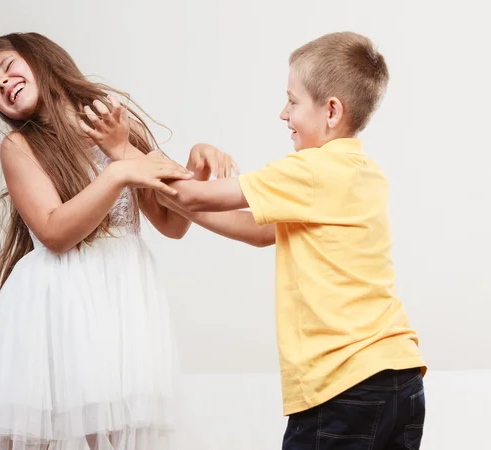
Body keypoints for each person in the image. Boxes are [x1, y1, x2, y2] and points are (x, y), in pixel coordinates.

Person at [91, 31, 427, 450]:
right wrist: (188, 192)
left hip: (343, 387)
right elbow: (258, 230)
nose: (283, 114)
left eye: (293, 100)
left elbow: (189, 195)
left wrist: (123, 154)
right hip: (401, 378)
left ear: (332, 111)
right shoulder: (365, 173)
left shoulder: (311, 170)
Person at [0, 31, 237, 450]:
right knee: (54, 426)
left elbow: (172, 223)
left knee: (112, 429)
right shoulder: (20, 146)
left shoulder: (114, 123)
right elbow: (53, 233)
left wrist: (196, 167)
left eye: (7, 69)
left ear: (40, 59)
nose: (3, 85)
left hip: (121, 294)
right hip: (59, 302)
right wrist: (117, 171)